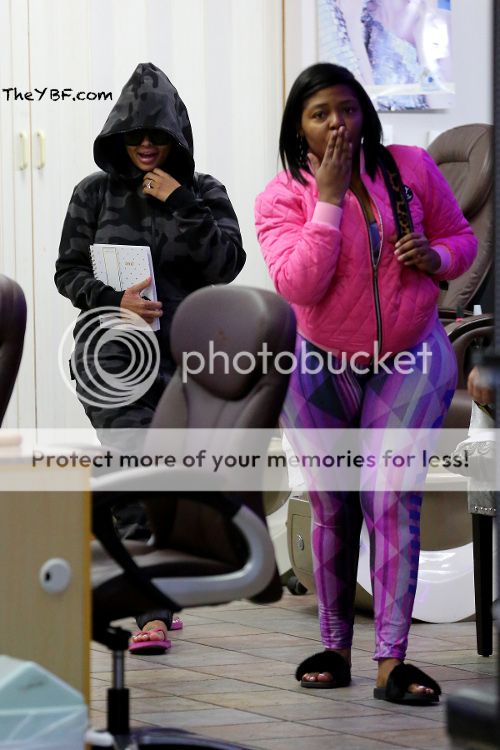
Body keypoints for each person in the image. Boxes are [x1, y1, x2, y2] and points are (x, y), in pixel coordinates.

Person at [255, 62, 476, 704]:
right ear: (298, 127)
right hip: (317, 363)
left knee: (390, 499)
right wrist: (327, 199)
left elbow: (460, 239)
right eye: (320, 113)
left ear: (366, 114)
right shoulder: (281, 196)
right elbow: (299, 284)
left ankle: (391, 661)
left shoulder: (411, 167)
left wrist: (437, 257)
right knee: (333, 504)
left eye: (347, 109)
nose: (337, 124)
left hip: (410, 356)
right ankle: (334, 645)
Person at [55, 62, 246, 653]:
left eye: (156, 135)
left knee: (172, 479)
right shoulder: (92, 193)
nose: (144, 145)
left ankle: (159, 588)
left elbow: (225, 265)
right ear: (117, 135)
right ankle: (150, 610)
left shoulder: (204, 192)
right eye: (134, 134)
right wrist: (115, 301)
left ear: (175, 138)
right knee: (132, 465)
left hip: (187, 362)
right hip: (112, 357)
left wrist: (180, 200)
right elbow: (67, 271)